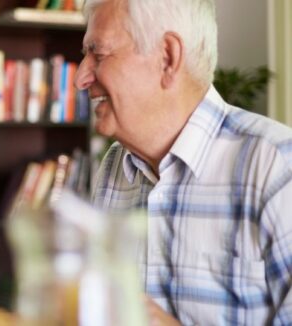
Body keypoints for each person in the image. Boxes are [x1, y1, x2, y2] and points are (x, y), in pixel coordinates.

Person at [75, 0, 292, 325]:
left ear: (167, 58)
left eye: (99, 54)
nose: (80, 77)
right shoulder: (113, 169)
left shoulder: (276, 167)